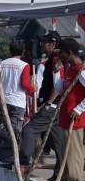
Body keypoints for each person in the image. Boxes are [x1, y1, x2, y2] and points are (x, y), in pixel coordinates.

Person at [20, 33, 65, 168]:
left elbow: (58, 85)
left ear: (53, 44)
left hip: (52, 105)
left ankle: (23, 163)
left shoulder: (56, 59)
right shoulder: (52, 59)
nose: (41, 45)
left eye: (44, 43)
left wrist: (48, 103)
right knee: (58, 141)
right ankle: (61, 171)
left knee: (29, 130)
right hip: (56, 106)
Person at [0, 40, 36, 160]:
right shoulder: (24, 65)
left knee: (4, 130)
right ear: (22, 51)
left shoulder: (1, 64)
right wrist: (34, 88)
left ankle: (4, 155)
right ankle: (13, 156)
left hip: (3, 101)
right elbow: (24, 84)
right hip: (17, 102)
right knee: (15, 131)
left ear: (10, 50)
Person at [54, 39, 83, 181]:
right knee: (66, 150)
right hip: (66, 117)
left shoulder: (81, 70)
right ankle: (66, 179)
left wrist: (79, 109)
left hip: (75, 119)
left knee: (73, 153)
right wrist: (56, 73)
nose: (59, 55)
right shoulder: (70, 68)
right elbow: (60, 90)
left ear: (69, 53)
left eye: (61, 52)